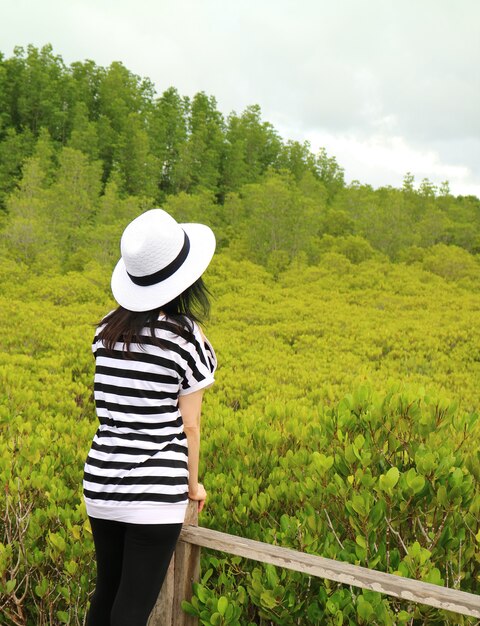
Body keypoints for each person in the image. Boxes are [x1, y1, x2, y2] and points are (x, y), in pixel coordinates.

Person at [83, 208, 217, 626]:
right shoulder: (185, 336)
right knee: (132, 610)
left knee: (106, 595)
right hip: (154, 494)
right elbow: (190, 425)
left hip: (101, 483)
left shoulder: (106, 329)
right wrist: (193, 486)